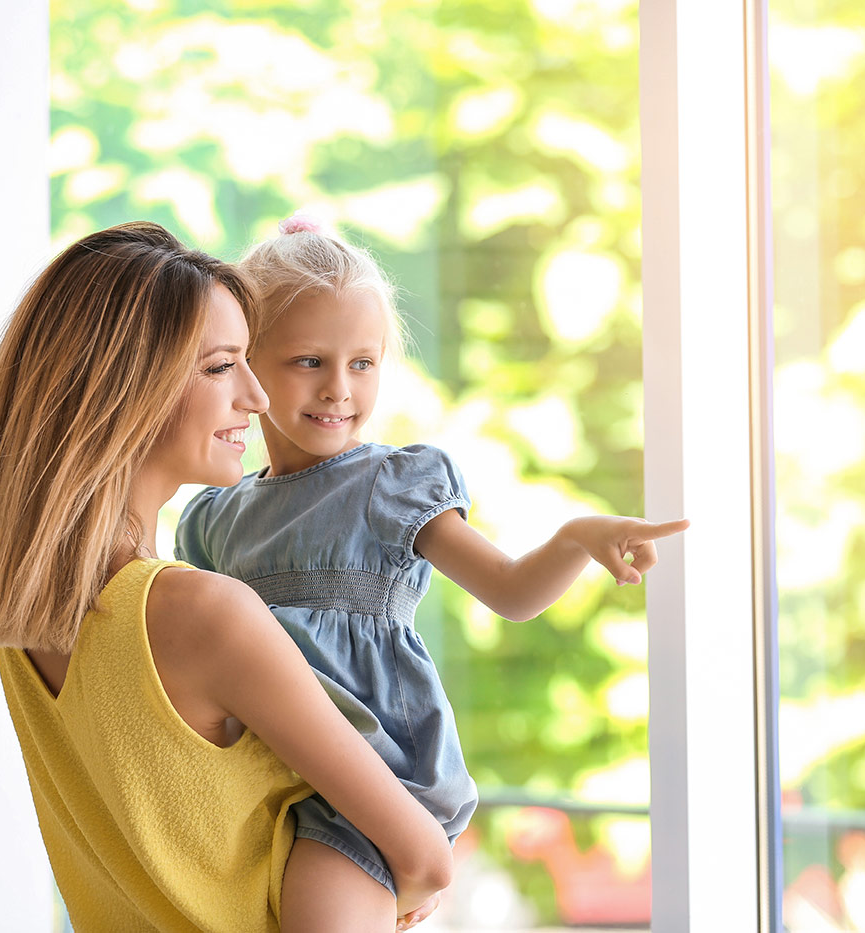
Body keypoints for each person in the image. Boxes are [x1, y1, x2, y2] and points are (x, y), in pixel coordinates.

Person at [0, 222, 451, 933]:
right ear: (123, 389)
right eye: (220, 367)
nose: (256, 397)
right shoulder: (203, 613)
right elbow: (426, 857)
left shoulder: (24, 620)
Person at [175, 212, 689, 931]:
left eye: (363, 363)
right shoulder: (214, 516)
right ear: (247, 363)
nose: (339, 389)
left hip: (365, 787)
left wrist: (575, 539)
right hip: (253, 782)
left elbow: (510, 591)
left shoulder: (390, 484)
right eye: (309, 361)